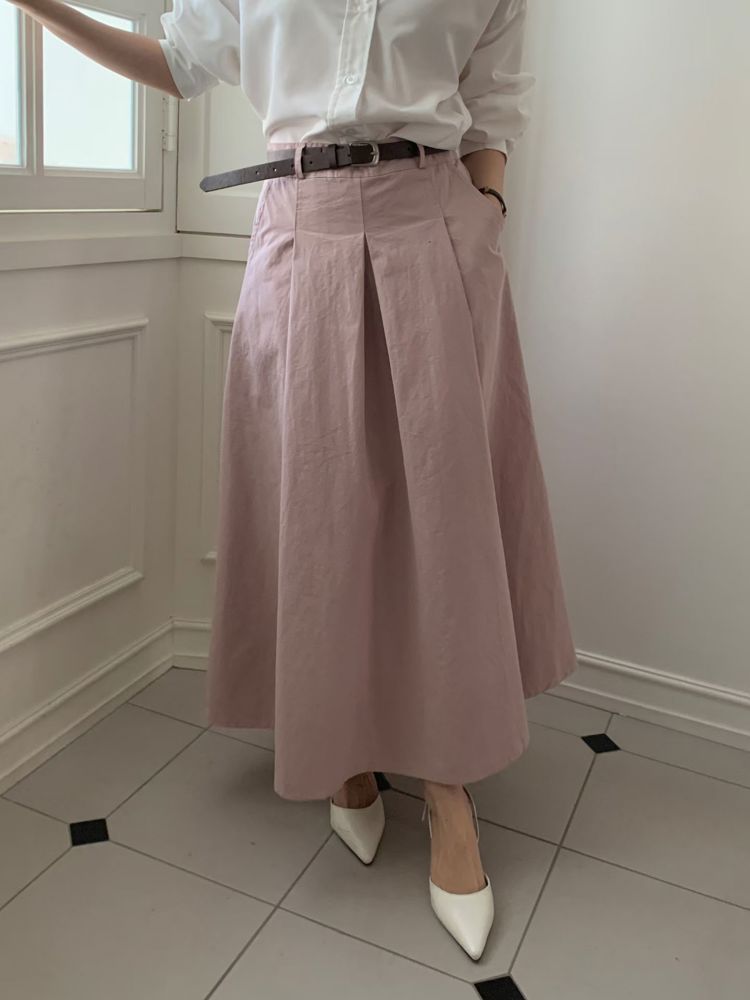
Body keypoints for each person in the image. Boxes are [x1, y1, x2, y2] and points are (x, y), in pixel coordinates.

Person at [9, 0, 577, 961]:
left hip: (433, 230)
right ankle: (342, 755)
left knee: (442, 521)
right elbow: (178, 60)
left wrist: (486, 217)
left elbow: (495, 105)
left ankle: (448, 789)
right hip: (298, 228)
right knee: (315, 513)